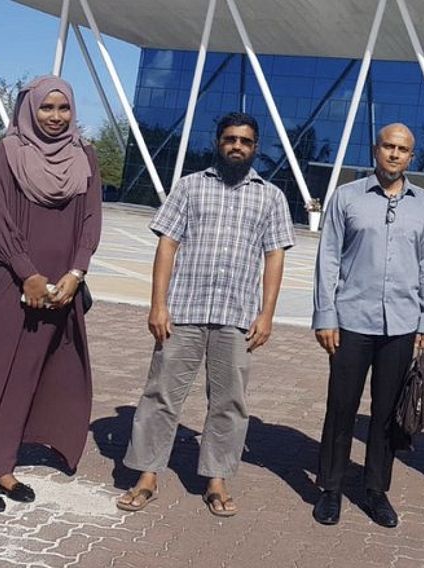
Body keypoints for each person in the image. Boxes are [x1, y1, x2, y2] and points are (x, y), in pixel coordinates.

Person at [116, 112, 294, 516]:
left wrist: (267, 314)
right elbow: (167, 245)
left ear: (255, 147)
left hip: (237, 316)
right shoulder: (190, 186)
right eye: (230, 139)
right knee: (161, 394)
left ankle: (216, 479)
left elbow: (275, 256)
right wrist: (158, 304)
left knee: (230, 401)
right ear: (218, 142)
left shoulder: (270, 196)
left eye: (245, 141)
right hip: (183, 311)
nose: (237, 146)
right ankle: (147, 475)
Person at [0, 76, 102, 512]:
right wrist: (27, 273)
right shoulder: (9, 152)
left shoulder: (84, 156)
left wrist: (76, 272)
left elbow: (90, 218)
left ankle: (2, 465)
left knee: (26, 376)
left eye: (63, 108)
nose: (55, 117)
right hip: (9, 279)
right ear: (29, 110)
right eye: (46, 108)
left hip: (58, 285)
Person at [311, 123, 424, 527]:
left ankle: (375, 490)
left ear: (411, 156)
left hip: (401, 325)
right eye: (388, 146)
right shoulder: (347, 197)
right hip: (350, 321)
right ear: (376, 149)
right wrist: (325, 315)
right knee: (341, 408)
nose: (394, 154)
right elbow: (328, 258)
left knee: (387, 412)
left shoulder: (423, 203)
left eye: (402, 149)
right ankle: (330, 488)